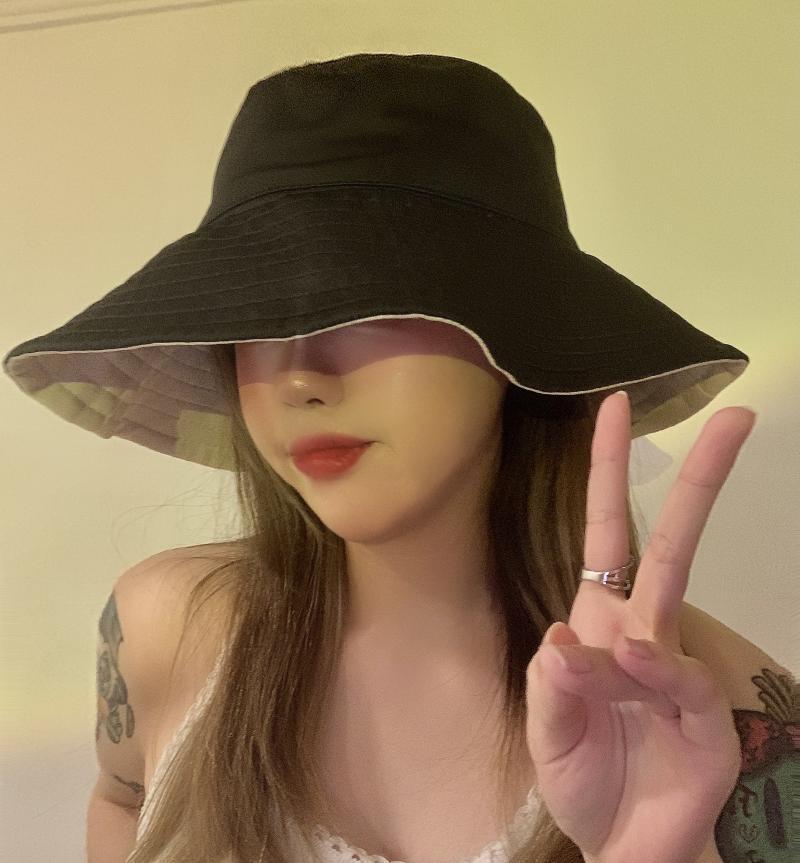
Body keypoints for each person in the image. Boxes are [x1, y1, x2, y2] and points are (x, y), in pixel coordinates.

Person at [4, 53, 792, 863]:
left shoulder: (724, 713)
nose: (300, 376)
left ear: (523, 335)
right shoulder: (161, 629)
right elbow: (122, 800)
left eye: (371, 305)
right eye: (253, 317)